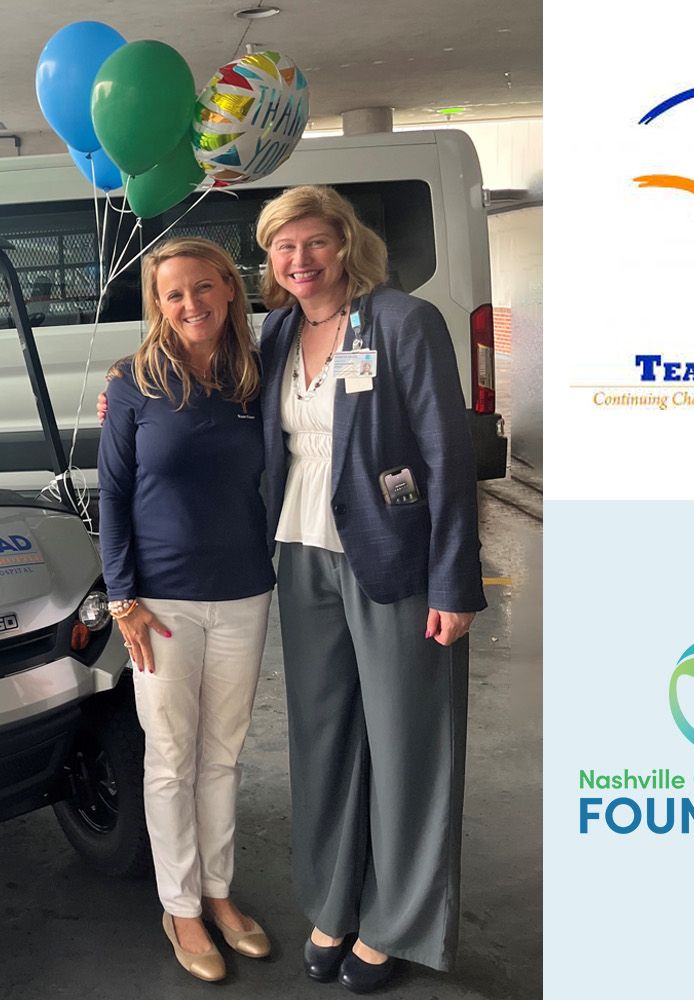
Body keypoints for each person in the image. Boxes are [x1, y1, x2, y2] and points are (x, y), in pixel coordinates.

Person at [256, 185, 484, 994]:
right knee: (322, 739)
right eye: (284, 247)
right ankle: (335, 902)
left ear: (346, 245)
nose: (300, 260)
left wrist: (453, 582)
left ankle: (396, 921)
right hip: (301, 551)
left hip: (393, 558)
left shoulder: (399, 321)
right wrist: (126, 386)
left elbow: (448, 456)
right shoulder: (280, 330)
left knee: (406, 742)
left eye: (315, 243)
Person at [97, 237, 276, 984]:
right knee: (171, 758)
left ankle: (220, 893)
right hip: (161, 602)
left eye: (204, 288)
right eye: (174, 294)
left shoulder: (255, 376)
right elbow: (110, 493)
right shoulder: (133, 382)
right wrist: (121, 597)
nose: (191, 304)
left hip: (243, 592)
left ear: (230, 292)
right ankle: (181, 908)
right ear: (158, 306)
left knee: (224, 754)